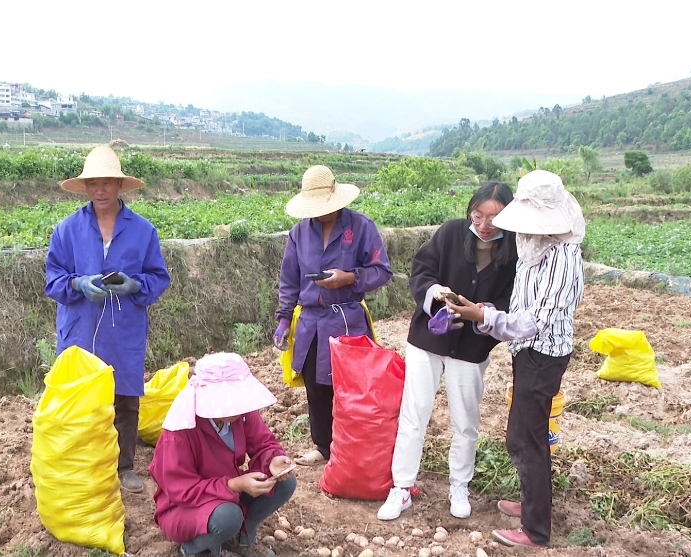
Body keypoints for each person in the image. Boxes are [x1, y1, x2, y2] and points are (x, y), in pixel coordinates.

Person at [445, 169, 585, 548]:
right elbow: (520, 305)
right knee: (525, 434)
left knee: (526, 439)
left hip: (544, 354)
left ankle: (535, 530)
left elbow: (535, 321)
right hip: (528, 353)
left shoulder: (562, 256)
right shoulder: (532, 244)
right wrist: (486, 310)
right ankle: (530, 504)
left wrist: (483, 317)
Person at [378, 182, 518, 522]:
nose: (484, 226)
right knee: (414, 414)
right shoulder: (452, 234)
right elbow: (421, 271)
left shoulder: (515, 254)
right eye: (478, 216)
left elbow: (510, 302)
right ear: (470, 212)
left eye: (494, 219)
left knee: (465, 421)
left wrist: (480, 311)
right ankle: (401, 487)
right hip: (428, 340)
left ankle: (459, 485)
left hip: (471, 347)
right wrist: (436, 291)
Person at [45, 145, 171, 493]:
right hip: (80, 328)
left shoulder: (143, 231)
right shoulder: (66, 230)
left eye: (107, 183)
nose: (100, 190)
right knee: (81, 400)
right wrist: (78, 283)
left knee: (125, 398)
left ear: (119, 186)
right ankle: (83, 466)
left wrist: (134, 285)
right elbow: (53, 279)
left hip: (123, 328)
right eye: (93, 184)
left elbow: (158, 277)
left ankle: (124, 466)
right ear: (85, 188)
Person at [273, 165, 392, 467]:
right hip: (311, 321)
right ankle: (323, 446)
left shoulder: (362, 228)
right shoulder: (299, 233)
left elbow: (381, 271)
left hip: (347, 320)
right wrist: (285, 319)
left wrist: (349, 278)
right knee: (316, 385)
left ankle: (352, 445)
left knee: (351, 387)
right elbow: (289, 279)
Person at [150, 352, 296, 557]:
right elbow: (182, 491)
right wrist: (234, 485)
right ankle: (193, 549)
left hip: (225, 494)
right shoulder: (179, 432)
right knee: (228, 516)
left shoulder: (240, 413)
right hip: (183, 508)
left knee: (285, 483)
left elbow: (264, 443)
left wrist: (272, 460)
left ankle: (243, 536)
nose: (238, 406)